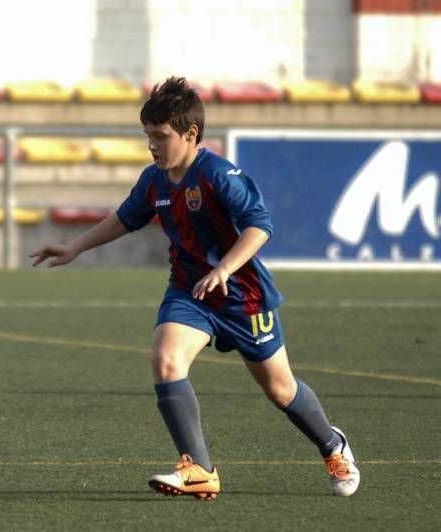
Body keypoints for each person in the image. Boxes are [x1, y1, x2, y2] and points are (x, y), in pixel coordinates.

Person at [30, 76, 360, 500]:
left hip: (244, 297)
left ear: (191, 134)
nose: (152, 145)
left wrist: (224, 269)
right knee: (166, 359)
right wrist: (75, 246)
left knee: (280, 389)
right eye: (148, 136)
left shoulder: (219, 174)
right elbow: (125, 217)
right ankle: (199, 468)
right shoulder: (155, 180)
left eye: (160, 137)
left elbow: (260, 227)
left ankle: (333, 446)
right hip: (190, 292)